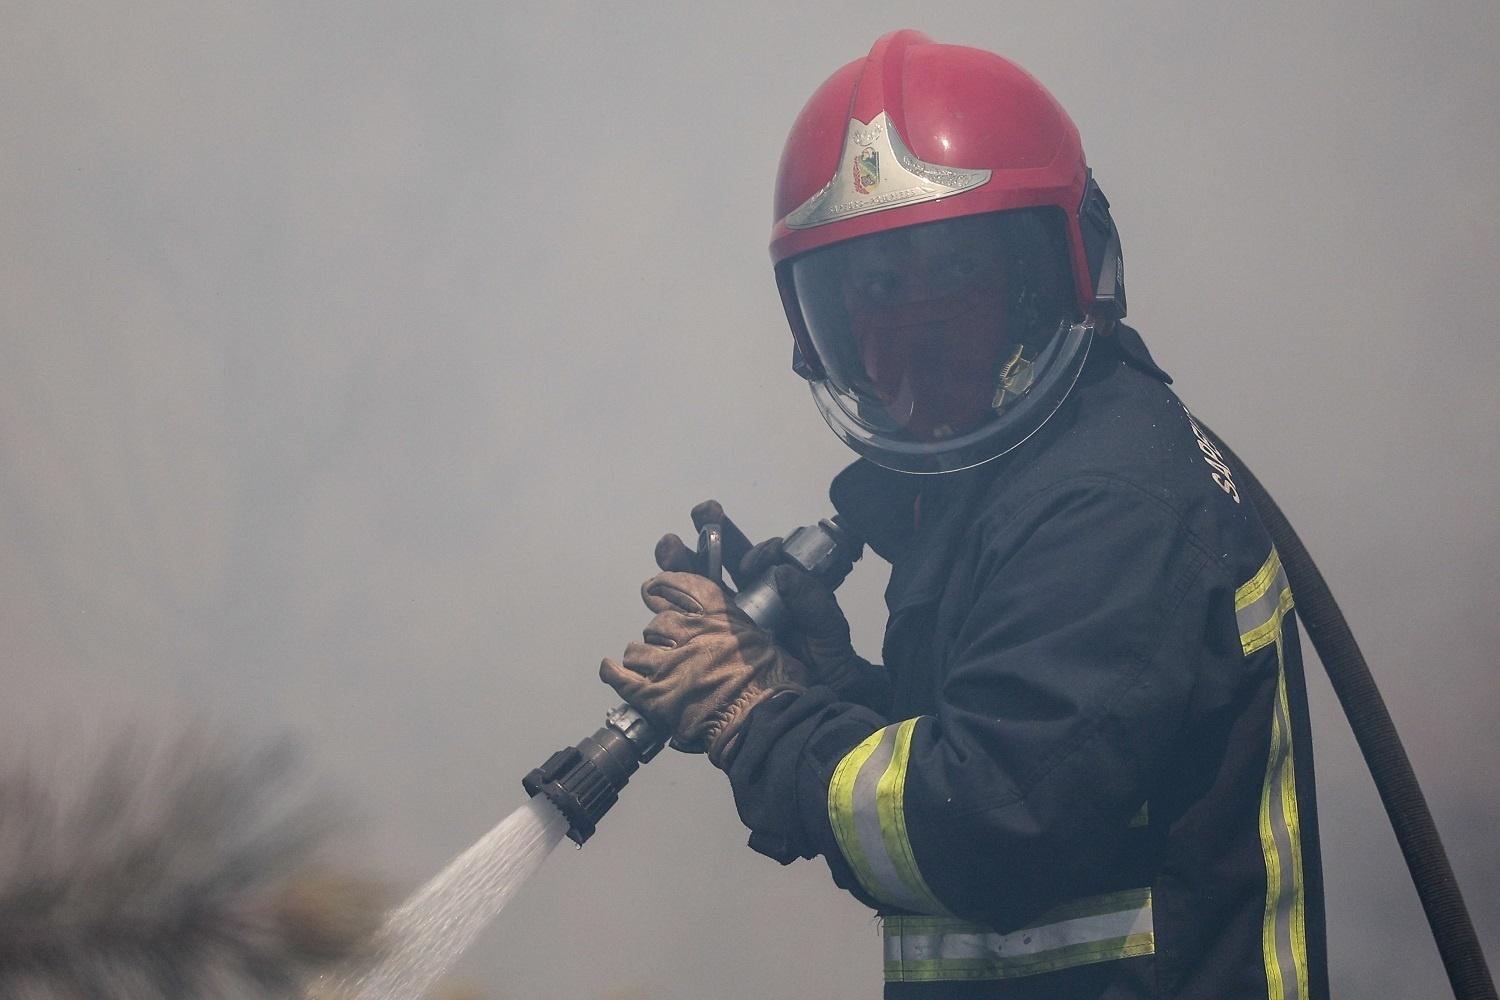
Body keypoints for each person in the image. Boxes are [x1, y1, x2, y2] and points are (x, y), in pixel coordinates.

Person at [600, 29, 1329, 999]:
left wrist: (759, 715)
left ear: (1054, 270)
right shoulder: (1013, 491)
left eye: (948, 273)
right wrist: (825, 681)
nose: (902, 331)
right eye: (870, 290)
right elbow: (990, 761)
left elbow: (987, 822)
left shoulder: (1102, 504)